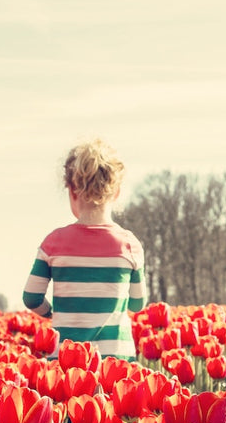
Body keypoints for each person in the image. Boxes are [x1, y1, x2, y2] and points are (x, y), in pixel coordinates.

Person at [22, 138, 147, 360]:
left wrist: (52, 313)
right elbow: (138, 304)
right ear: (116, 192)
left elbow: (31, 297)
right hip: (115, 358)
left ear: (72, 191)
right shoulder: (129, 245)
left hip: (66, 359)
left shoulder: (54, 243)